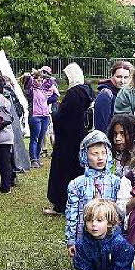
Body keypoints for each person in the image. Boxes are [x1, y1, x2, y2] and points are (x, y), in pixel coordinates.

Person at [65, 130, 124, 255]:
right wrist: (71, 241)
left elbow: (121, 212)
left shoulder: (116, 182)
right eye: (95, 154)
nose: (100, 157)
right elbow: (72, 214)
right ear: (84, 156)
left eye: (104, 153)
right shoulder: (77, 184)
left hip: (111, 237)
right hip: (85, 237)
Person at [46, 64, 94, 216]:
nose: (66, 80)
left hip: (67, 142)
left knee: (63, 174)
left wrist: (54, 117)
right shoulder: (86, 91)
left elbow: (64, 117)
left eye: (67, 77)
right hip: (79, 139)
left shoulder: (74, 93)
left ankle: (60, 205)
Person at [26, 67, 59, 167]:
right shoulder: (31, 90)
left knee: (40, 138)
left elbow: (54, 96)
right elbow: (27, 82)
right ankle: (33, 159)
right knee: (34, 138)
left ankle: (37, 157)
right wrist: (31, 76)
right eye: (38, 80)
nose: (40, 82)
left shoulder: (43, 89)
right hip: (35, 116)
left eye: (41, 80)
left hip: (45, 115)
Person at [93, 61, 133, 133]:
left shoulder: (127, 94)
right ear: (112, 76)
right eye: (119, 77)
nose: (122, 81)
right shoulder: (105, 95)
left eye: (126, 77)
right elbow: (100, 128)